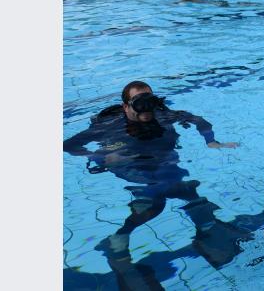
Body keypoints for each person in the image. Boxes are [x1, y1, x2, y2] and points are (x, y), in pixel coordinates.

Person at [63, 81, 246, 288]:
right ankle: (119, 238)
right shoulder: (109, 126)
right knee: (160, 200)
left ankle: (206, 228)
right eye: (139, 102)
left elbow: (199, 120)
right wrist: (101, 157)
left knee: (189, 196)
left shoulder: (163, 115)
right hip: (132, 165)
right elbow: (68, 145)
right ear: (126, 107)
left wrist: (212, 141)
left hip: (163, 162)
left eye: (149, 100)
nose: (146, 107)